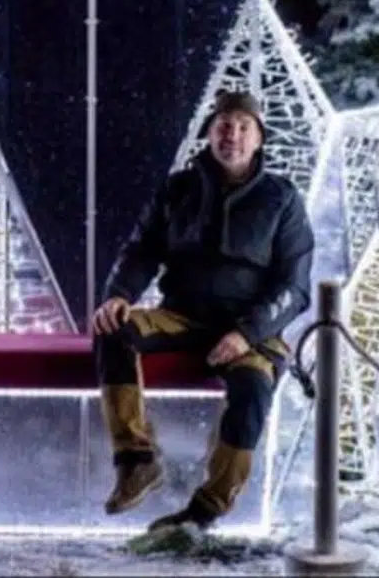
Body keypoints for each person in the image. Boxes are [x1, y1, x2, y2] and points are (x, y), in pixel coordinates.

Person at [93, 90, 315, 532]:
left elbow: (294, 286)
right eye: (223, 125)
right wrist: (119, 293)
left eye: (242, 126)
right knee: (112, 329)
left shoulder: (283, 199)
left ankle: (205, 510)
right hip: (181, 317)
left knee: (252, 391)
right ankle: (136, 461)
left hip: (251, 330)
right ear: (210, 132)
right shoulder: (177, 189)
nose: (231, 134)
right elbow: (142, 250)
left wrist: (246, 333)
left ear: (258, 139)